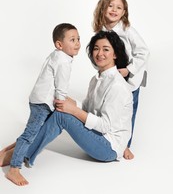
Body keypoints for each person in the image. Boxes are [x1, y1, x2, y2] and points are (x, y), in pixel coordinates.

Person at [0, 30, 133, 186]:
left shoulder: (117, 86)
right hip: (96, 135)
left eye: (106, 49)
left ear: (115, 54)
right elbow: (88, 108)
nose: (99, 53)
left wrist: (73, 110)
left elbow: (105, 125)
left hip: (108, 148)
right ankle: (15, 148)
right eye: (96, 48)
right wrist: (67, 102)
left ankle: (18, 155)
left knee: (62, 115)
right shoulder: (96, 79)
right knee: (56, 106)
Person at [1, 23, 80, 186]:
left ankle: (5, 153)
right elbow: (61, 86)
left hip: (40, 100)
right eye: (72, 40)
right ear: (59, 44)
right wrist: (61, 102)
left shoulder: (57, 55)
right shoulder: (63, 61)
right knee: (30, 135)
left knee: (32, 132)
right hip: (43, 103)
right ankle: (14, 168)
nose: (77, 43)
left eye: (78, 39)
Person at [93, 0, 150, 159]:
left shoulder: (127, 30)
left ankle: (126, 145)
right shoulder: (100, 31)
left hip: (130, 78)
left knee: (128, 112)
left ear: (124, 12)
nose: (114, 10)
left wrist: (129, 70)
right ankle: (109, 140)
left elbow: (143, 51)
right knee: (111, 109)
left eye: (119, 7)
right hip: (111, 77)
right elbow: (97, 52)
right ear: (103, 9)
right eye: (110, 6)